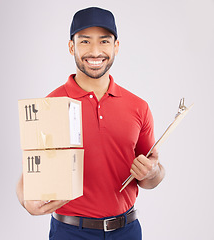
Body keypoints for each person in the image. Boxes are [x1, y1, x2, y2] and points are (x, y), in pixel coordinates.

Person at [16, 7, 165, 240]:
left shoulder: (139, 107)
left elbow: (151, 176)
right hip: (70, 232)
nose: (95, 51)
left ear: (115, 46)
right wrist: (26, 200)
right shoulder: (51, 104)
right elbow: (31, 171)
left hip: (127, 231)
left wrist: (153, 171)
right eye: (85, 41)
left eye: (104, 41)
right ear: (71, 46)